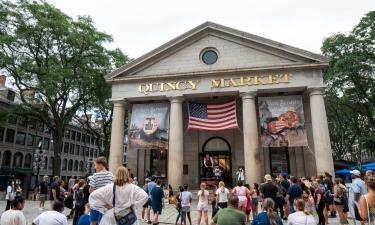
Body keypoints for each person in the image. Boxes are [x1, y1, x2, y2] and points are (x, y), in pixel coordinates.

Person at [89, 156, 113, 225]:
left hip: (96, 204)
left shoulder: (95, 176)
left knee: (93, 222)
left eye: (95, 165)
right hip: (107, 205)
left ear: (100, 165)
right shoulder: (111, 175)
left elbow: (91, 191)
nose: (95, 167)